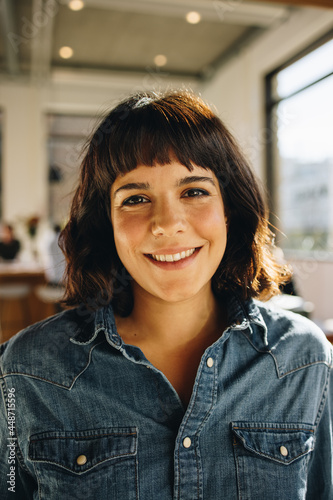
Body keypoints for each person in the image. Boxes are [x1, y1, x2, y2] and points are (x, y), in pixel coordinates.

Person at [0, 91, 332, 499]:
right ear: (108, 224)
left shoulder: (304, 359)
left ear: (229, 209)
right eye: (136, 199)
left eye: (194, 191)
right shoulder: (27, 371)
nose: (167, 224)